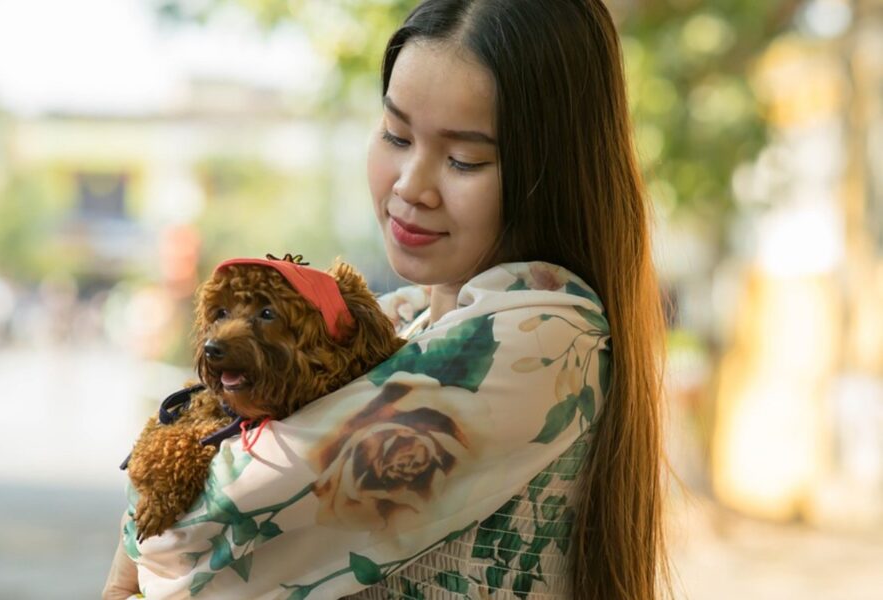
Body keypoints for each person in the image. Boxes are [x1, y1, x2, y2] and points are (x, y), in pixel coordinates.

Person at [103, 0, 669, 598]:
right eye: (396, 135)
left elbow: (193, 531)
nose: (410, 186)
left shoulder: (541, 338)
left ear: (549, 173)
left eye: (464, 159)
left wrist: (133, 538)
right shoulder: (403, 323)